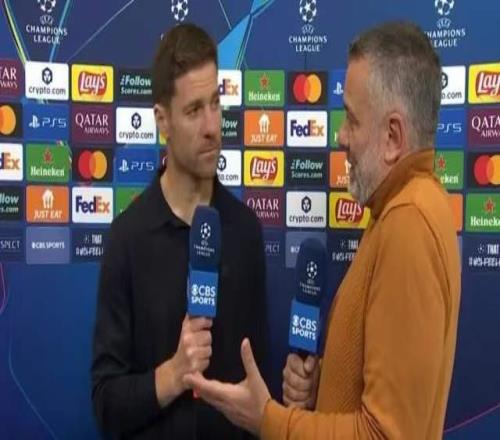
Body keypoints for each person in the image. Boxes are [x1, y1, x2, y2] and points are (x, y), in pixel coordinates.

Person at [185, 21, 461, 440]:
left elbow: (383, 434)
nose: (340, 136)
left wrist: (268, 419)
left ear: (393, 136)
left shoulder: (409, 224)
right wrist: (325, 386)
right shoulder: (401, 209)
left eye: (351, 118)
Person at [91, 23, 267, 439]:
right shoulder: (127, 239)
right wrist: (173, 374)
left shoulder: (245, 232)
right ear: (162, 120)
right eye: (193, 110)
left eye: (215, 103)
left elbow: (259, 391)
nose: (211, 126)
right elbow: (105, 403)